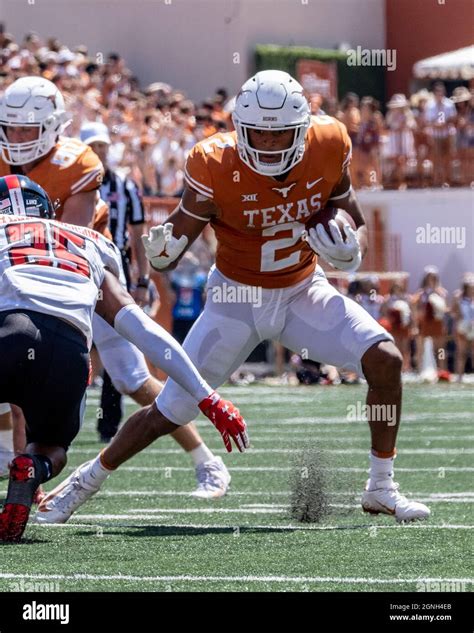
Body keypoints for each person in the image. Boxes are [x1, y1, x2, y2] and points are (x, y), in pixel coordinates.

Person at [41, 70, 430, 524]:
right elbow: (175, 244)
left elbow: (350, 212)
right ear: (239, 129)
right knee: (168, 411)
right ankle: (84, 483)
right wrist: (163, 254)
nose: (267, 144)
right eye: (257, 134)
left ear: (302, 128)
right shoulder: (213, 162)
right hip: (234, 299)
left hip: (302, 289)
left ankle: (381, 486)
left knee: (386, 359)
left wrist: (351, 247)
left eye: (279, 133)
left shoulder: (328, 142)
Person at [0, 76, 231, 498]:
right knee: (20, 374)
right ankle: (27, 476)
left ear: (52, 127)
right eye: (11, 128)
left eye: (27, 130)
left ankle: (206, 461)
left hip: (84, 272)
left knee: (133, 379)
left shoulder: (78, 163)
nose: (17, 138)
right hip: (27, 275)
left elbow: (67, 239)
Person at [0, 175, 247, 541]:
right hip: (69, 354)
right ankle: (31, 467)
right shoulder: (89, 241)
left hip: (10, 332)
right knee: (53, 448)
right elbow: (139, 327)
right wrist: (206, 396)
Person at [451, 274, 474, 381]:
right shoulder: (458, 297)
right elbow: (453, 312)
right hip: (462, 328)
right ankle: (459, 376)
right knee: (461, 352)